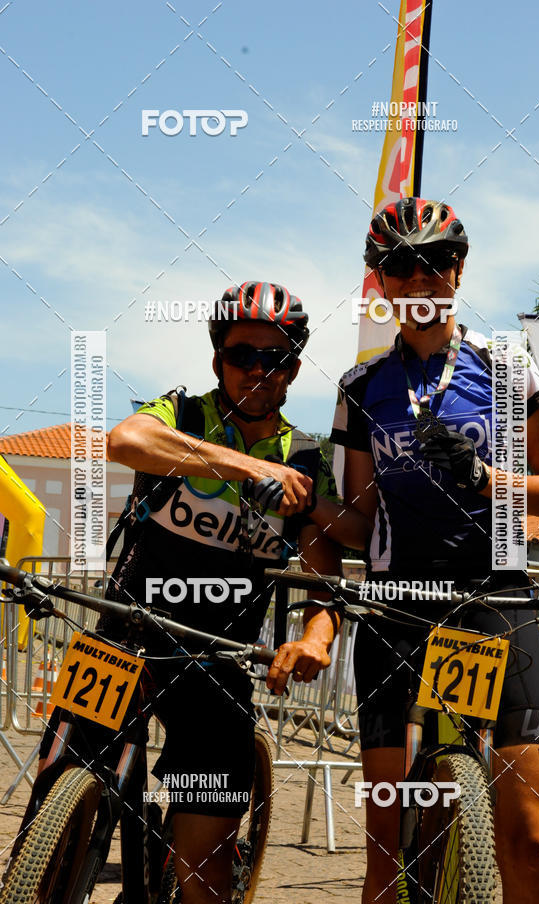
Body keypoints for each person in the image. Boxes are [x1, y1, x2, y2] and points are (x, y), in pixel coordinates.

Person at [38, 281, 341, 904]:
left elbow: (323, 560)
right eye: (241, 355)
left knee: (201, 869)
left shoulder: (308, 459)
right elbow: (124, 442)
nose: (258, 370)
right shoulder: (184, 415)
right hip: (122, 635)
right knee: (46, 836)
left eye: (276, 357)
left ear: (295, 368)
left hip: (217, 659)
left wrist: (317, 632)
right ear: (216, 361)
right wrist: (249, 468)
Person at [329, 198, 539, 904]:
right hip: (396, 607)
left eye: (433, 262)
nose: (418, 280)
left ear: (458, 269)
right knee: (385, 855)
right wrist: (290, 506)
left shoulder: (505, 368)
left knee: (530, 843)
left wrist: (487, 480)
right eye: (399, 266)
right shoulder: (360, 388)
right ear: (380, 280)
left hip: (494, 595)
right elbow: (356, 519)